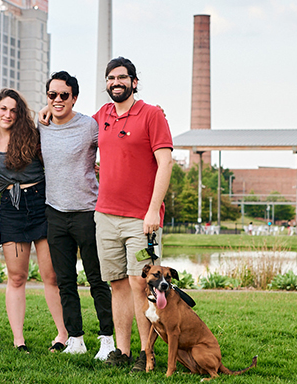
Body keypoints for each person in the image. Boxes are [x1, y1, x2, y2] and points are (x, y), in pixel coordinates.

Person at [92, 57, 173, 370]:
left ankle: (146, 353)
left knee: (143, 285)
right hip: (105, 216)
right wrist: (46, 113)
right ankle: (122, 352)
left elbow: (165, 164)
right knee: (117, 285)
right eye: (111, 78)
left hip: (142, 219)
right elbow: (70, 123)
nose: (116, 82)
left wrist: (153, 210)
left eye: (122, 77)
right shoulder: (103, 116)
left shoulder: (151, 115)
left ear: (134, 82)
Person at [38, 71, 115, 359]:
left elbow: (113, 146)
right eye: (52, 95)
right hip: (55, 213)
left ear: (74, 98)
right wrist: (43, 111)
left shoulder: (90, 126)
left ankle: (107, 338)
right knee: (65, 281)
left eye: (63, 96)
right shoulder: (41, 124)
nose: (57, 100)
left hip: (87, 213)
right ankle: (76, 338)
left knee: (97, 279)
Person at [0, 88, 66, 352]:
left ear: (19, 114)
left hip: (40, 203)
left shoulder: (33, 135)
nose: (7, 114)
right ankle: (18, 339)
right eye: (3, 109)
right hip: (11, 208)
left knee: (50, 275)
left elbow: (56, 156)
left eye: (13, 110)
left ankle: (63, 334)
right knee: (17, 277)